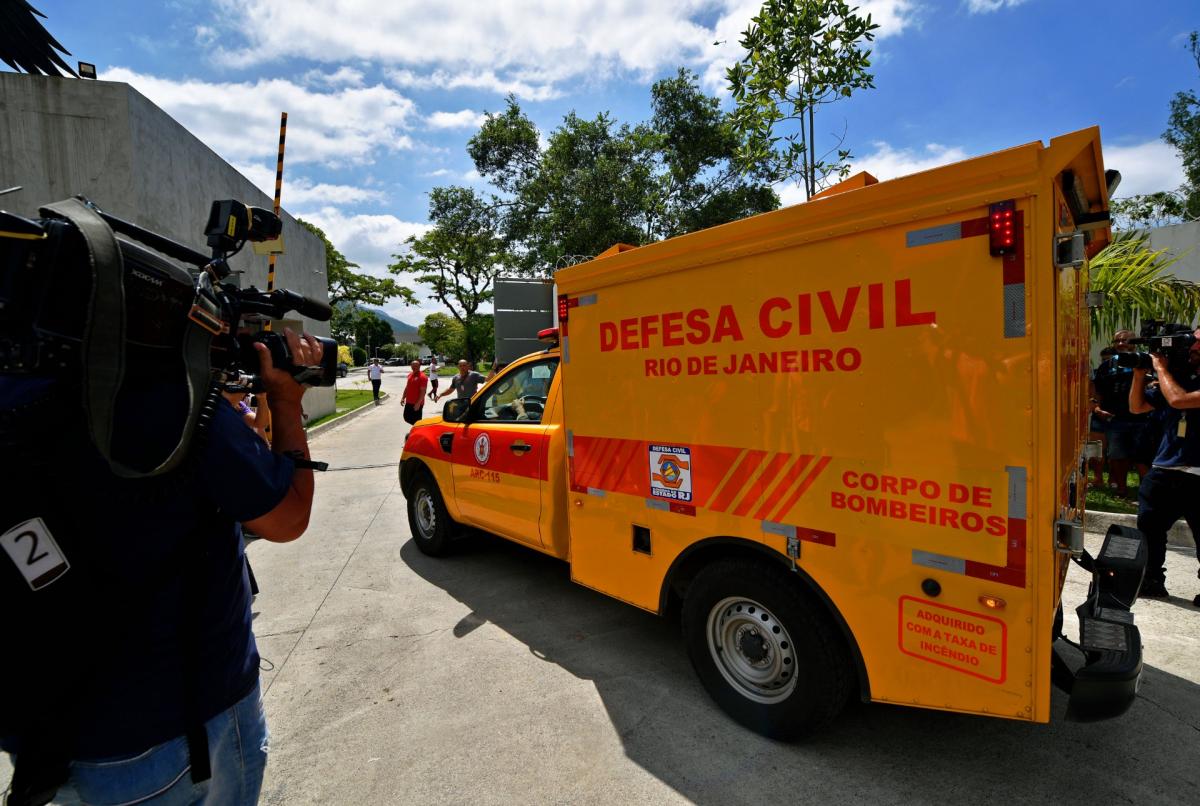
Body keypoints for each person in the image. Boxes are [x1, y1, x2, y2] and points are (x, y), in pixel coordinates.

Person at [2, 329, 323, 804]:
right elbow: (288, 516)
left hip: (46, 740)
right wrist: (288, 400)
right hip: (183, 730)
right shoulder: (173, 400)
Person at [1128, 330, 1200, 602]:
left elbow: (1179, 400)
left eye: (1198, 345)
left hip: (1198, 474)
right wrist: (1139, 374)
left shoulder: (1174, 384)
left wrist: (1159, 369)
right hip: (1164, 471)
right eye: (1192, 343)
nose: (1193, 348)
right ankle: (1151, 580)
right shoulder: (1176, 380)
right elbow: (1137, 407)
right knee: (1150, 530)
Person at [1090, 331, 1151, 497]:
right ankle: (1121, 488)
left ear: (1134, 342)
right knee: (1117, 456)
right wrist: (1097, 408)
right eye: (1117, 340)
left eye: (1125, 340)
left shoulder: (1146, 360)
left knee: (1143, 457)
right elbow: (1097, 391)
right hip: (1115, 419)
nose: (1121, 343)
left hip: (1143, 419)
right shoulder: (1107, 365)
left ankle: (1146, 492)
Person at [402, 359, 428, 425]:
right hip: (409, 401)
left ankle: (419, 431)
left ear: (419, 366)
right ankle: (419, 429)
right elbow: (407, 387)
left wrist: (418, 403)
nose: (414, 367)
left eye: (416, 366)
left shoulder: (423, 377)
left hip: (417, 403)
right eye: (412, 366)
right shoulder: (410, 375)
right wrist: (403, 398)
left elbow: (423, 391)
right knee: (406, 417)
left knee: (417, 421)